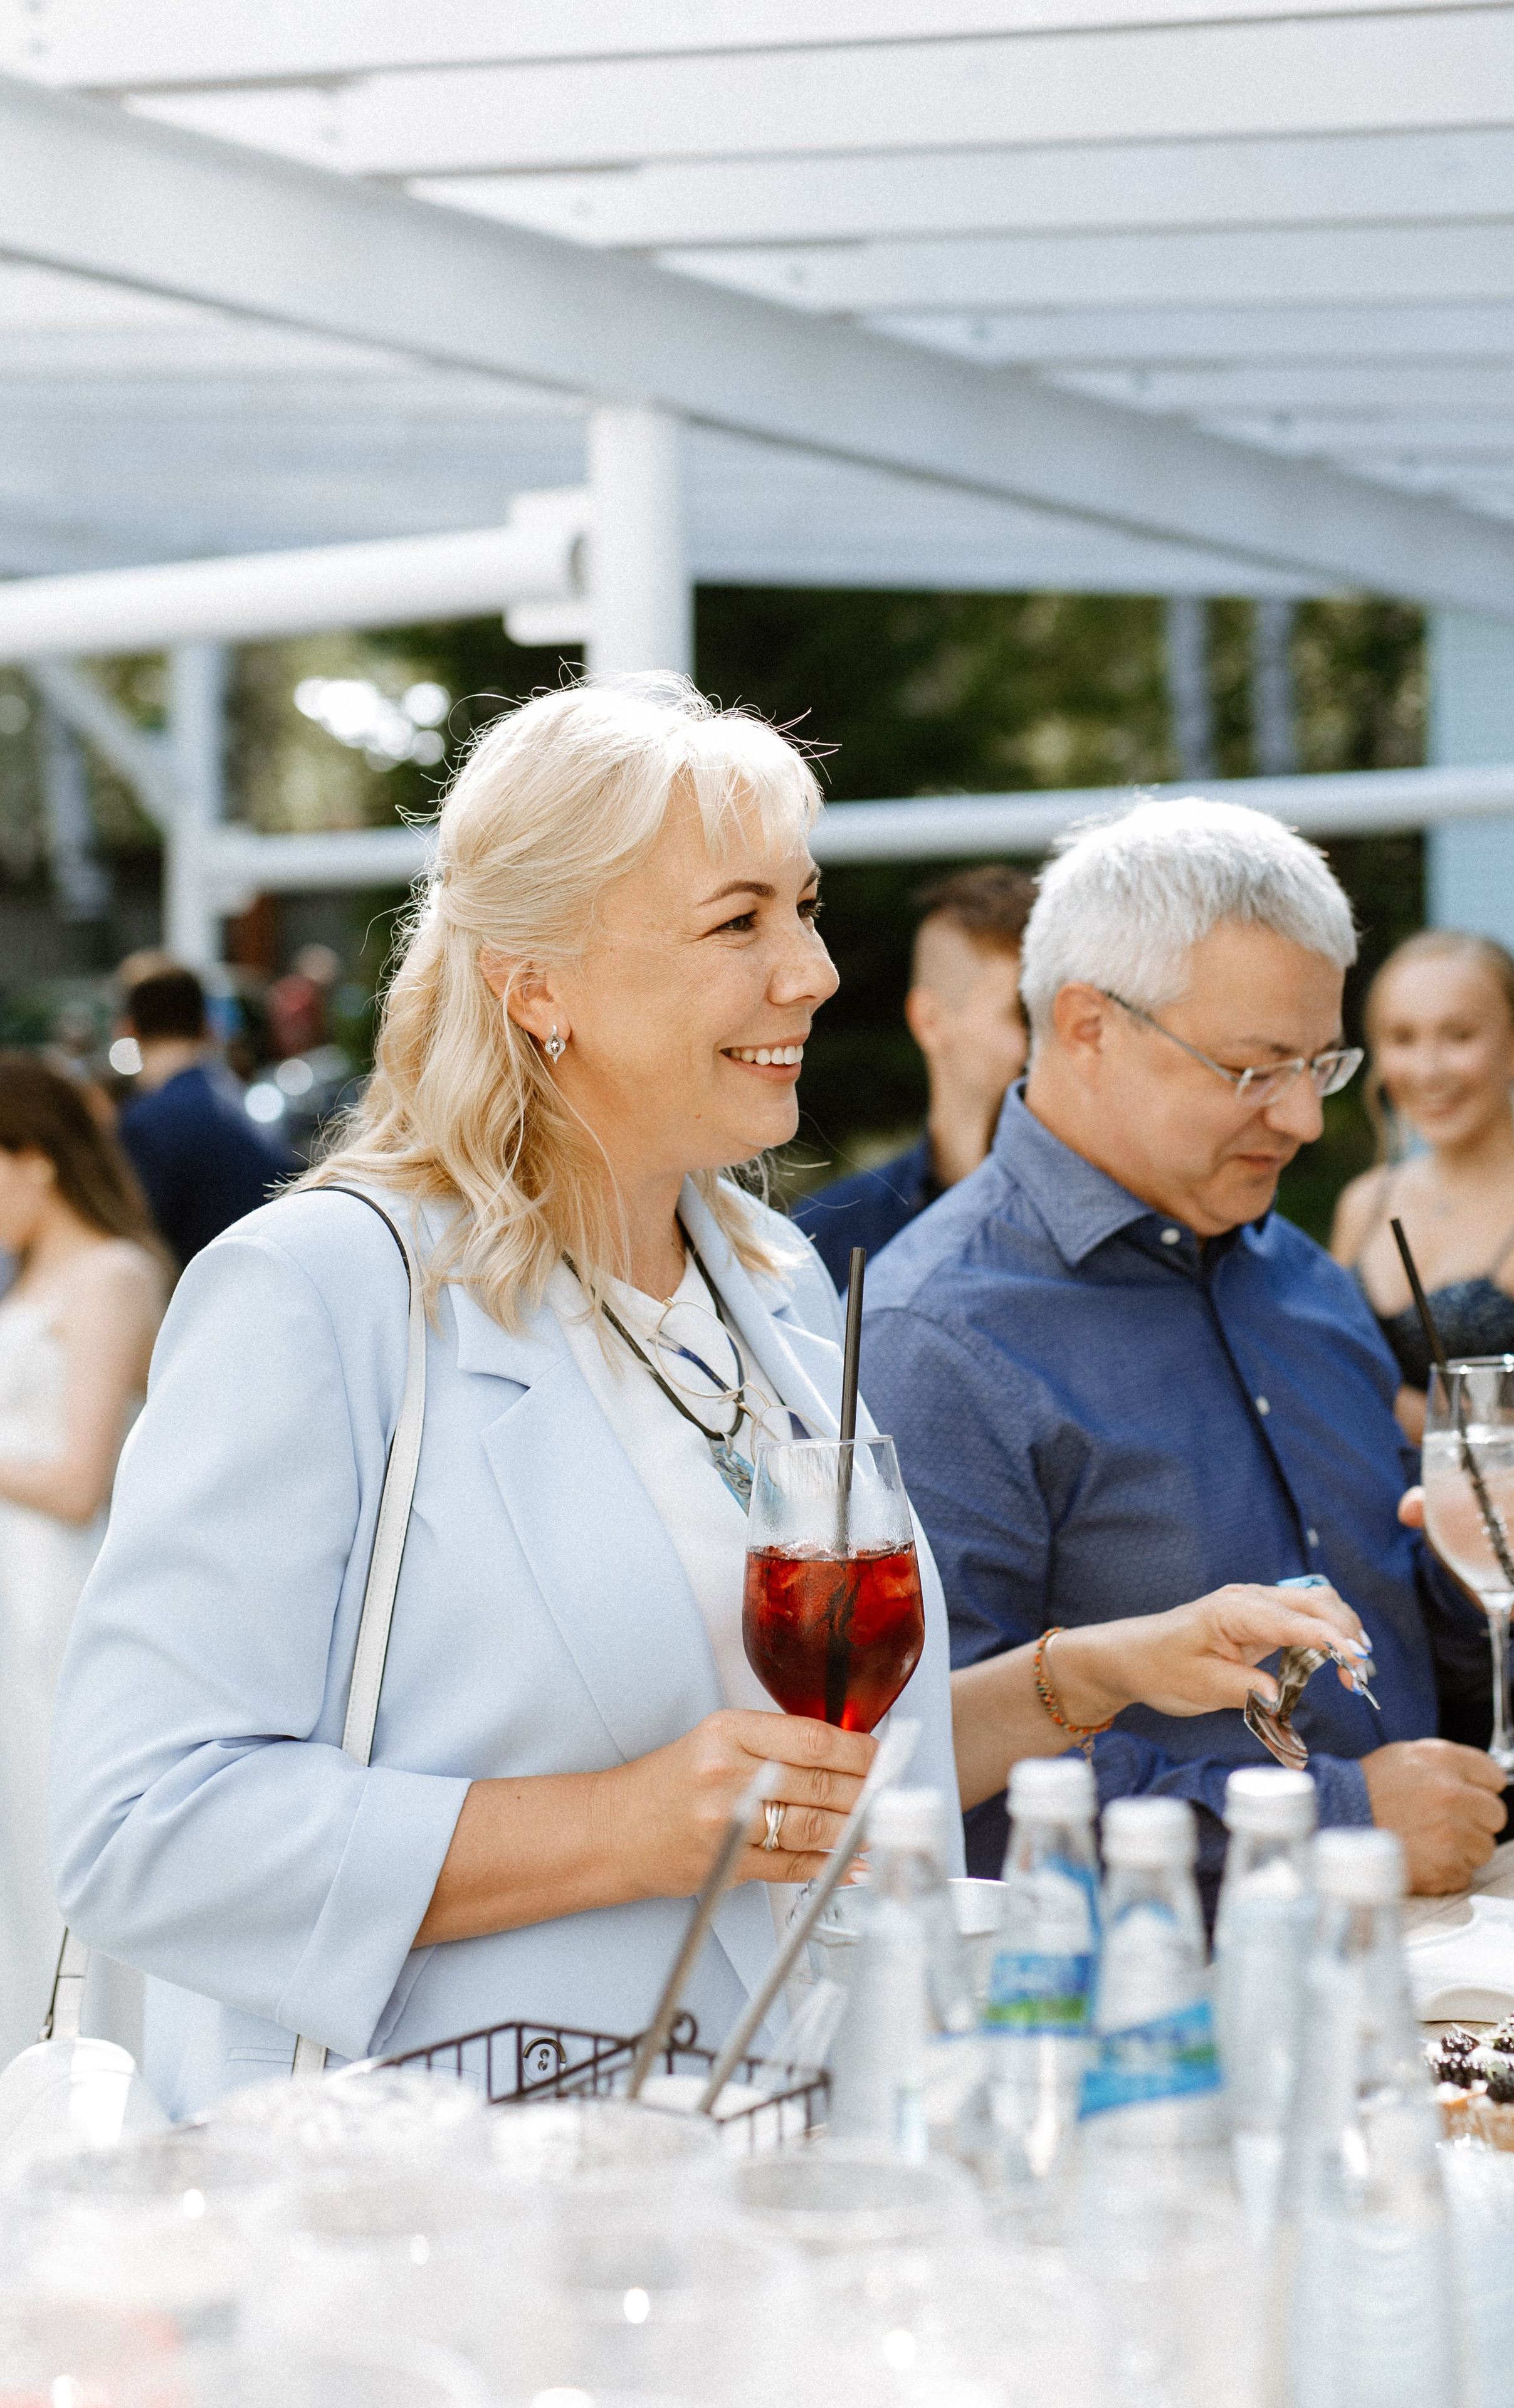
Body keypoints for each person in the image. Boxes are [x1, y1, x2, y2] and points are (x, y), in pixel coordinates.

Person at [50, 684, 1366, 2120]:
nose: (809, 970)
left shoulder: (770, 1282)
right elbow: (137, 1831)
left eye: (799, 909)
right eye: (738, 921)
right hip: (443, 2222)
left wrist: (1088, 1672)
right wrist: (615, 1829)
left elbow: (807, 1770)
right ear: (533, 979)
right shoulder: (321, 1292)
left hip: (772, 2176)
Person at [858, 799, 1514, 1898]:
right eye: (1257, 1069)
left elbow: (1386, 1639)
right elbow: (927, 1771)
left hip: (1434, 1970)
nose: (1304, 1118)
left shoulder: (1300, 1275)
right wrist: (1337, 1821)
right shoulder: (932, 1336)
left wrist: (1486, 1586)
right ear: (1086, 1026)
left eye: (1323, 1064)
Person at [1332, 930, 1514, 1832]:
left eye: (1459, 1034)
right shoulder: (1363, 1202)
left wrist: (1410, 1412)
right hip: (1390, 1586)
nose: (1430, 1065)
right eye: (1404, 1037)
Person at [0, 1055, 166, 2064]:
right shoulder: (30, 1278)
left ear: (35, 1163)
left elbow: (77, 1476)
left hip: (59, 1599)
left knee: (55, 1836)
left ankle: (83, 2064)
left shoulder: (113, 1273)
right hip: (16, 1587)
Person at [792, 865, 1034, 1288]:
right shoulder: (825, 1240)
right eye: (1025, 1014)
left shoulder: (1127, 1218)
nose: (1056, 1040)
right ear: (930, 1021)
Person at [117, 965, 297, 1266]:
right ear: (206, 1028)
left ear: (128, 1029)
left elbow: (139, 1240)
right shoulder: (238, 1101)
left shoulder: (147, 1121)